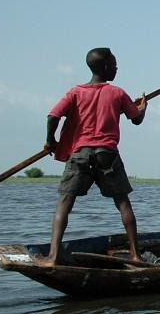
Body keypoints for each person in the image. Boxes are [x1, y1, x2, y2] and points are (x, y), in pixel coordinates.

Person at [38, 48, 147, 266]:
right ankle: (135, 255)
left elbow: (53, 116)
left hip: (80, 153)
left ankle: (53, 256)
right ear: (105, 67)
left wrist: (51, 140)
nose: (117, 68)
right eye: (114, 65)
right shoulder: (117, 93)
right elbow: (136, 119)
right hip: (107, 154)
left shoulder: (75, 92)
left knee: (65, 203)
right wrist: (142, 107)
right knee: (123, 202)